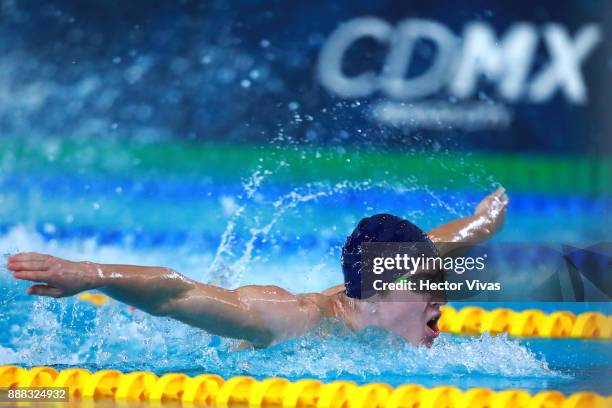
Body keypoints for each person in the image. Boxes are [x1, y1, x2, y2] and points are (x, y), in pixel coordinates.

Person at [7, 188, 508, 348]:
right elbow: (177, 293)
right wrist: (90, 275)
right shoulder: (296, 319)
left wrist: (484, 221)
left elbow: (446, 240)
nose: (442, 297)